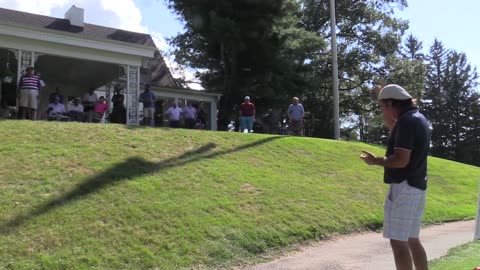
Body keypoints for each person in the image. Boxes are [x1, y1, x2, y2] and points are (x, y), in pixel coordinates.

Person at [360, 84, 430, 270]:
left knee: (399, 244)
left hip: (403, 188)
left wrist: (376, 161)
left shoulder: (407, 122)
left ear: (392, 103)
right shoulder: (417, 118)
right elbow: (393, 125)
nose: (381, 110)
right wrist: (383, 96)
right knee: (412, 240)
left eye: (382, 106)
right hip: (416, 187)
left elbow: (401, 160)